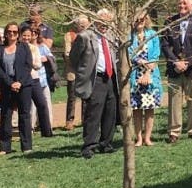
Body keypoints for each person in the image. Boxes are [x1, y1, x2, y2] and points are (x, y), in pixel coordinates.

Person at [69, 9, 118, 159]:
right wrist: (84, 72)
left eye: (107, 23)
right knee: (93, 114)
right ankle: (89, 146)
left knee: (110, 111)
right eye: (102, 22)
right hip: (95, 79)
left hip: (110, 78)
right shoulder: (85, 36)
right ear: (95, 21)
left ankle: (106, 143)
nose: (104, 25)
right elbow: (74, 57)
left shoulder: (111, 36)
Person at [161, 0, 192, 143]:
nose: (181, 6)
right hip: (174, 68)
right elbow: (165, 45)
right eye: (179, 4)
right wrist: (176, 62)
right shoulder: (170, 22)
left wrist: (188, 62)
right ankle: (174, 132)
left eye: (184, 4)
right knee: (174, 101)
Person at [15, 27, 53, 152]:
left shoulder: (34, 48)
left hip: (35, 79)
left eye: (28, 35)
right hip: (23, 81)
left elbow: (37, 65)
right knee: (25, 111)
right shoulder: (17, 48)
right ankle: (26, 141)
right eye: (24, 35)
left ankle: (46, 131)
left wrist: (29, 63)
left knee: (42, 104)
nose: (26, 38)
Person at [129, 12, 162, 146]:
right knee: (136, 109)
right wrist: (141, 63)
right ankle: (138, 138)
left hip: (151, 75)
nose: (140, 21)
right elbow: (130, 54)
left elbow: (156, 55)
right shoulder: (129, 36)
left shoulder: (153, 35)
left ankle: (147, 137)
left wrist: (148, 73)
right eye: (137, 19)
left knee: (149, 108)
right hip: (135, 75)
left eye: (142, 19)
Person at [0, 23, 24, 155]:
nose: (12, 34)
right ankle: (5, 147)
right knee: (6, 115)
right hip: (6, 85)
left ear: (18, 34)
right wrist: (10, 83)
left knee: (24, 115)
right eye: (10, 31)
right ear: (6, 33)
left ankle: (26, 145)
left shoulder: (24, 48)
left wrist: (19, 82)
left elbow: (27, 66)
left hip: (21, 85)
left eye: (15, 32)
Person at [63, 16, 89, 131]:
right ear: (76, 25)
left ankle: (85, 119)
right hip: (72, 71)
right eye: (81, 25)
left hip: (86, 70)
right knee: (72, 97)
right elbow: (67, 53)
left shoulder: (89, 35)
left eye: (86, 25)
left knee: (86, 95)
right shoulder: (69, 35)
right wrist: (78, 62)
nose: (83, 27)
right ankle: (69, 120)